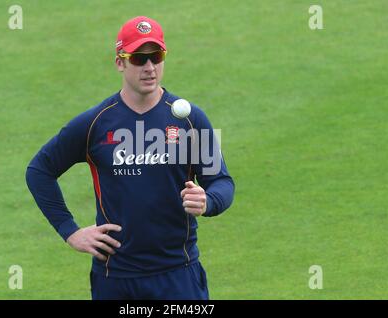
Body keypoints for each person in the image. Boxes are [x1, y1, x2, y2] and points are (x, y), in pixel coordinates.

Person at [26, 16, 235, 300]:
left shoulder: (191, 120)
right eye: (138, 59)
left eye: (156, 57)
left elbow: (222, 181)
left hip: (178, 274)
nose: (149, 67)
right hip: (115, 278)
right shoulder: (96, 123)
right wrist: (70, 231)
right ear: (120, 63)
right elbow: (40, 170)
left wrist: (208, 200)